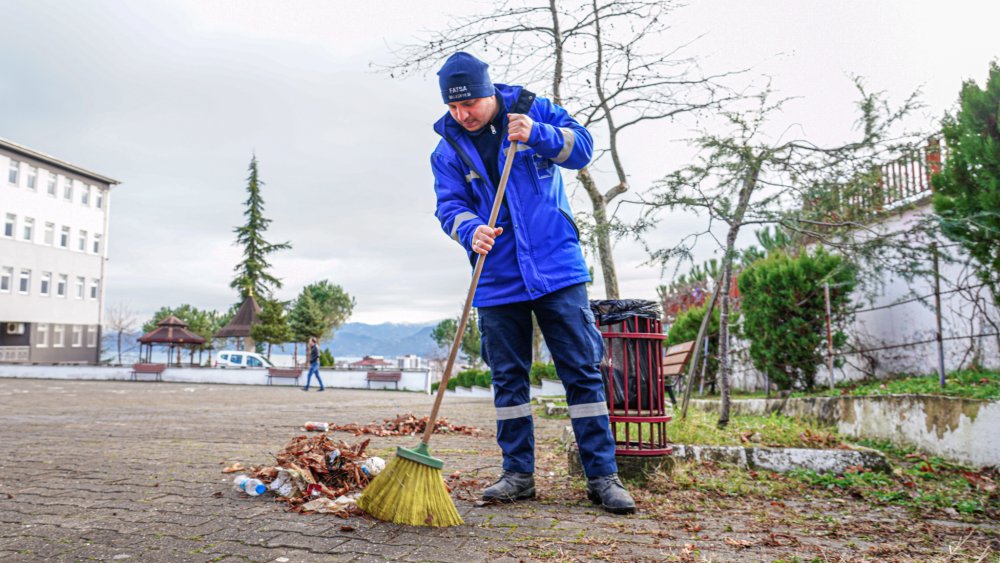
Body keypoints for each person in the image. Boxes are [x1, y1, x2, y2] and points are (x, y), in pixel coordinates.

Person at [430, 52, 635, 514]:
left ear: (489, 93)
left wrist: (538, 133)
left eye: (470, 104)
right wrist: (470, 229)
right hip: (495, 275)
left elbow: (582, 149)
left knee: (581, 370)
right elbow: (449, 206)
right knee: (507, 378)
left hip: (556, 267)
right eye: (453, 107)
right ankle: (518, 475)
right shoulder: (446, 150)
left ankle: (603, 477)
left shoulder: (532, 109)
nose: (462, 115)